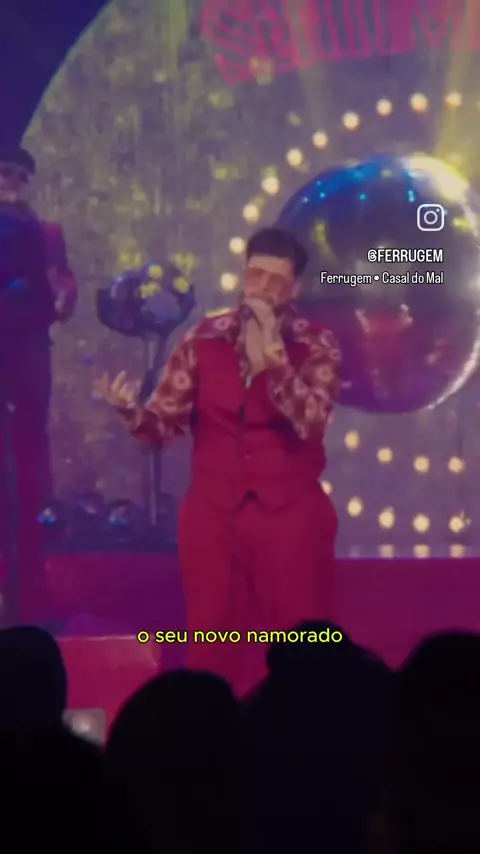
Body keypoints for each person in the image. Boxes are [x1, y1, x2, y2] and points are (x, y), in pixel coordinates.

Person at [97, 227, 340, 692]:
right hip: (213, 517)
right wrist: (131, 411)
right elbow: (163, 428)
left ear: (295, 289)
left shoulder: (317, 343)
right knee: (211, 648)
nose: (262, 290)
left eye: (275, 281)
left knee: (305, 652)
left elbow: (311, 423)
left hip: (290, 516)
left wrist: (275, 365)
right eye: (255, 276)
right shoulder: (203, 338)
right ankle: (211, 729)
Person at [0, 146, 77, 625]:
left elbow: (63, 285)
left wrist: (62, 293)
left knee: (28, 465)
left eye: (17, 175)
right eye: (2, 173)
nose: (9, 182)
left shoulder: (46, 232)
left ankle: (29, 593)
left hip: (28, 350)